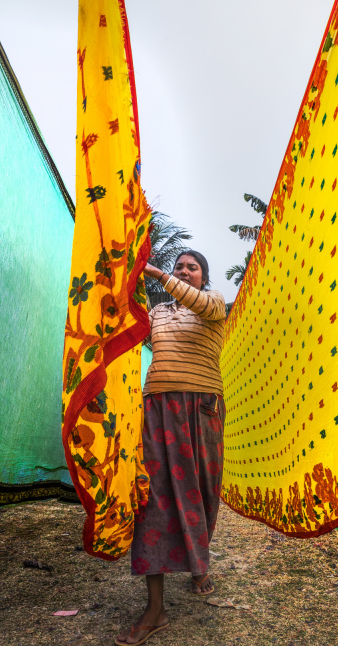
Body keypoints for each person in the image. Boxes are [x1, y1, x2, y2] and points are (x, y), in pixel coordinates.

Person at [116, 250, 227, 646]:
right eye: (179, 266)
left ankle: (199, 562)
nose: (183, 271)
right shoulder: (158, 313)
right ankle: (155, 608)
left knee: (201, 492)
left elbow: (202, 303)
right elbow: (129, 328)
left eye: (191, 267)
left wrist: (160, 274)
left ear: (203, 277)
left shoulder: (213, 304)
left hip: (202, 408)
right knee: (153, 499)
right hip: (157, 408)